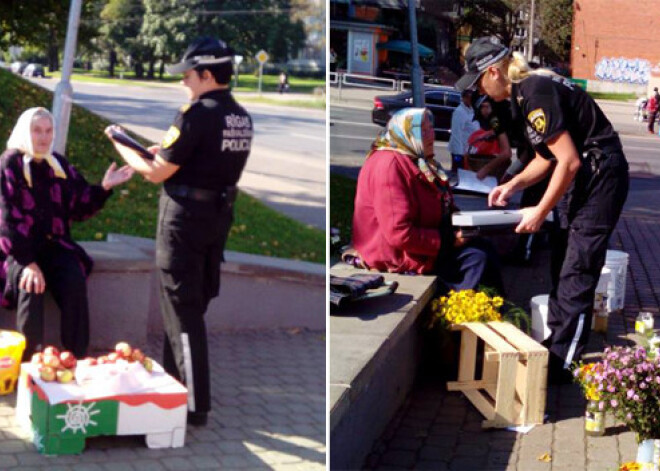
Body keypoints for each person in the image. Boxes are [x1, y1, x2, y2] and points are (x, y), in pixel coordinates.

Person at [455, 37, 629, 382]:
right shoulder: (524, 93)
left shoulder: (534, 91)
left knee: (577, 267)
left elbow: (569, 161)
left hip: (600, 176)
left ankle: (564, 361)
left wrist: (537, 210)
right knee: (561, 261)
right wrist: (513, 184)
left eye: (479, 84)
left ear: (493, 71)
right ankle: (555, 344)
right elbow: (544, 158)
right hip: (587, 173)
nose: (481, 93)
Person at [106, 37, 252, 426]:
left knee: (182, 311)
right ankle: (174, 390)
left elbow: (156, 173)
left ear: (206, 74)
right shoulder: (239, 116)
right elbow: (199, 159)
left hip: (184, 223)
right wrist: (165, 153)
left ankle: (193, 405)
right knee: (188, 306)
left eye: (188, 75)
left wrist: (120, 144)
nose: (184, 82)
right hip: (215, 220)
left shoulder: (195, 114)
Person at [0, 107, 133, 360]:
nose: (43, 137)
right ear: (24, 131)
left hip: (54, 247)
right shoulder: (10, 164)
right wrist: (28, 263)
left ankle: (77, 357)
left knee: (73, 278)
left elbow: (79, 205)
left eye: (48, 131)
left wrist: (104, 187)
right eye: (37, 130)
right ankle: (31, 362)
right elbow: (6, 221)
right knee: (31, 285)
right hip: (19, 251)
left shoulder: (57, 163)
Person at [351, 107, 503, 294]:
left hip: (424, 245)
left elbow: (442, 202)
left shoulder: (419, 160)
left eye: (431, 128)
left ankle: (494, 311)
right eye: (422, 131)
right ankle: (462, 314)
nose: (431, 135)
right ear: (404, 132)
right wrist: (449, 241)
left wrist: (465, 224)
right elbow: (399, 233)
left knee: (484, 247)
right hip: (397, 255)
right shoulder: (389, 165)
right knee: (477, 258)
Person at [466, 96, 512, 181]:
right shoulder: (497, 118)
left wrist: (485, 169)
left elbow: (506, 153)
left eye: (486, 106)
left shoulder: (495, 120)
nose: (483, 111)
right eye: (482, 107)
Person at [448, 89, 479, 171]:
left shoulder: (472, 111)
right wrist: (459, 153)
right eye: (468, 98)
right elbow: (456, 133)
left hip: (470, 151)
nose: (470, 100)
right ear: (464, 98)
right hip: (459, 152)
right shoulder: (459, 112)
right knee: (458, 172)